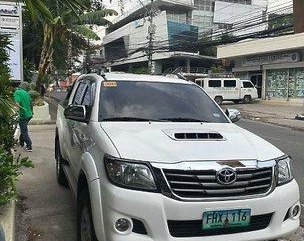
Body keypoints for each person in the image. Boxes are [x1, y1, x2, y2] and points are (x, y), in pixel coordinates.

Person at [14, 82, 33, 152]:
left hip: (23, 115)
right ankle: (21, 142)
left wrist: (21, 108)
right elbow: (31, 103)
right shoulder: (26, 93)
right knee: (23, 129)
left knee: (24, 131)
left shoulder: (17, 92)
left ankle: (29, 145)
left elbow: (17, 103)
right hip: (29, 115)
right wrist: (31, 111)